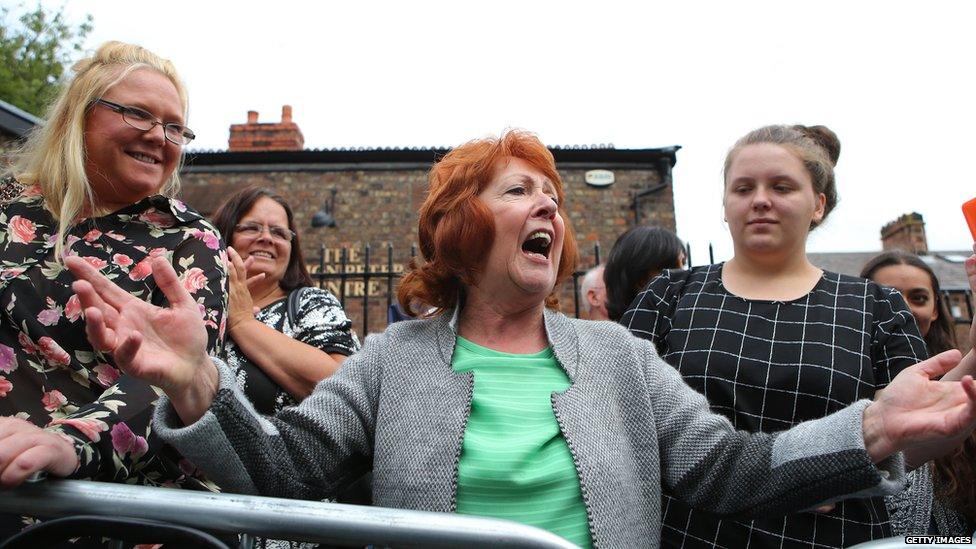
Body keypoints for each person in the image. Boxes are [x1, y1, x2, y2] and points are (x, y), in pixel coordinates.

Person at [21, 131, 976, 549]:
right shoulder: (395, 359)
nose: (549, 206)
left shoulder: (618, 357)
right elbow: (286, 475)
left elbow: (729, 470)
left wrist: (872, 427)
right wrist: (196, 386)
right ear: (455, 226)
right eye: (520, 189)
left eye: (553, 195)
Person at [620, 125, 950, 548]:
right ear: (725, 206)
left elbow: (909, 429)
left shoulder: (876, 306)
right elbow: (619, 414)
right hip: (688, 531)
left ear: (818, 204)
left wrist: (839, 468)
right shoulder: (670, 294)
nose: (760, 199)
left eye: (781, 186)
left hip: (834, 536)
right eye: (743, 188)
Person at [0, 41, 226, 536]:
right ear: (80, 116)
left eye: (173, 127)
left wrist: (70, 442)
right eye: (138, 114)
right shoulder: (7, 208)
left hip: (128, 505)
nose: (158, 136)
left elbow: (173, 379)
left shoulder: (189, 240)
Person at [211, 187, 359, 416]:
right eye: (252, 228)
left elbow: (345, 389)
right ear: (224, 236)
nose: (267, 238)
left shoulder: (311, 303)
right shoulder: (200, 309)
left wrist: (242, 322)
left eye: (280, 233)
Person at [862, 249, 976, 534]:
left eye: (919, 298)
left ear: (936, 308)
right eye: (889, 297)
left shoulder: (964, 378)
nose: (904, 309)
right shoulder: (834, 386)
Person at [603, 226, 684, 321]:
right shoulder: (613, 334)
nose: (683, 274)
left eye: (684, 263)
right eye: (671, 268)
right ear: (639, 280)